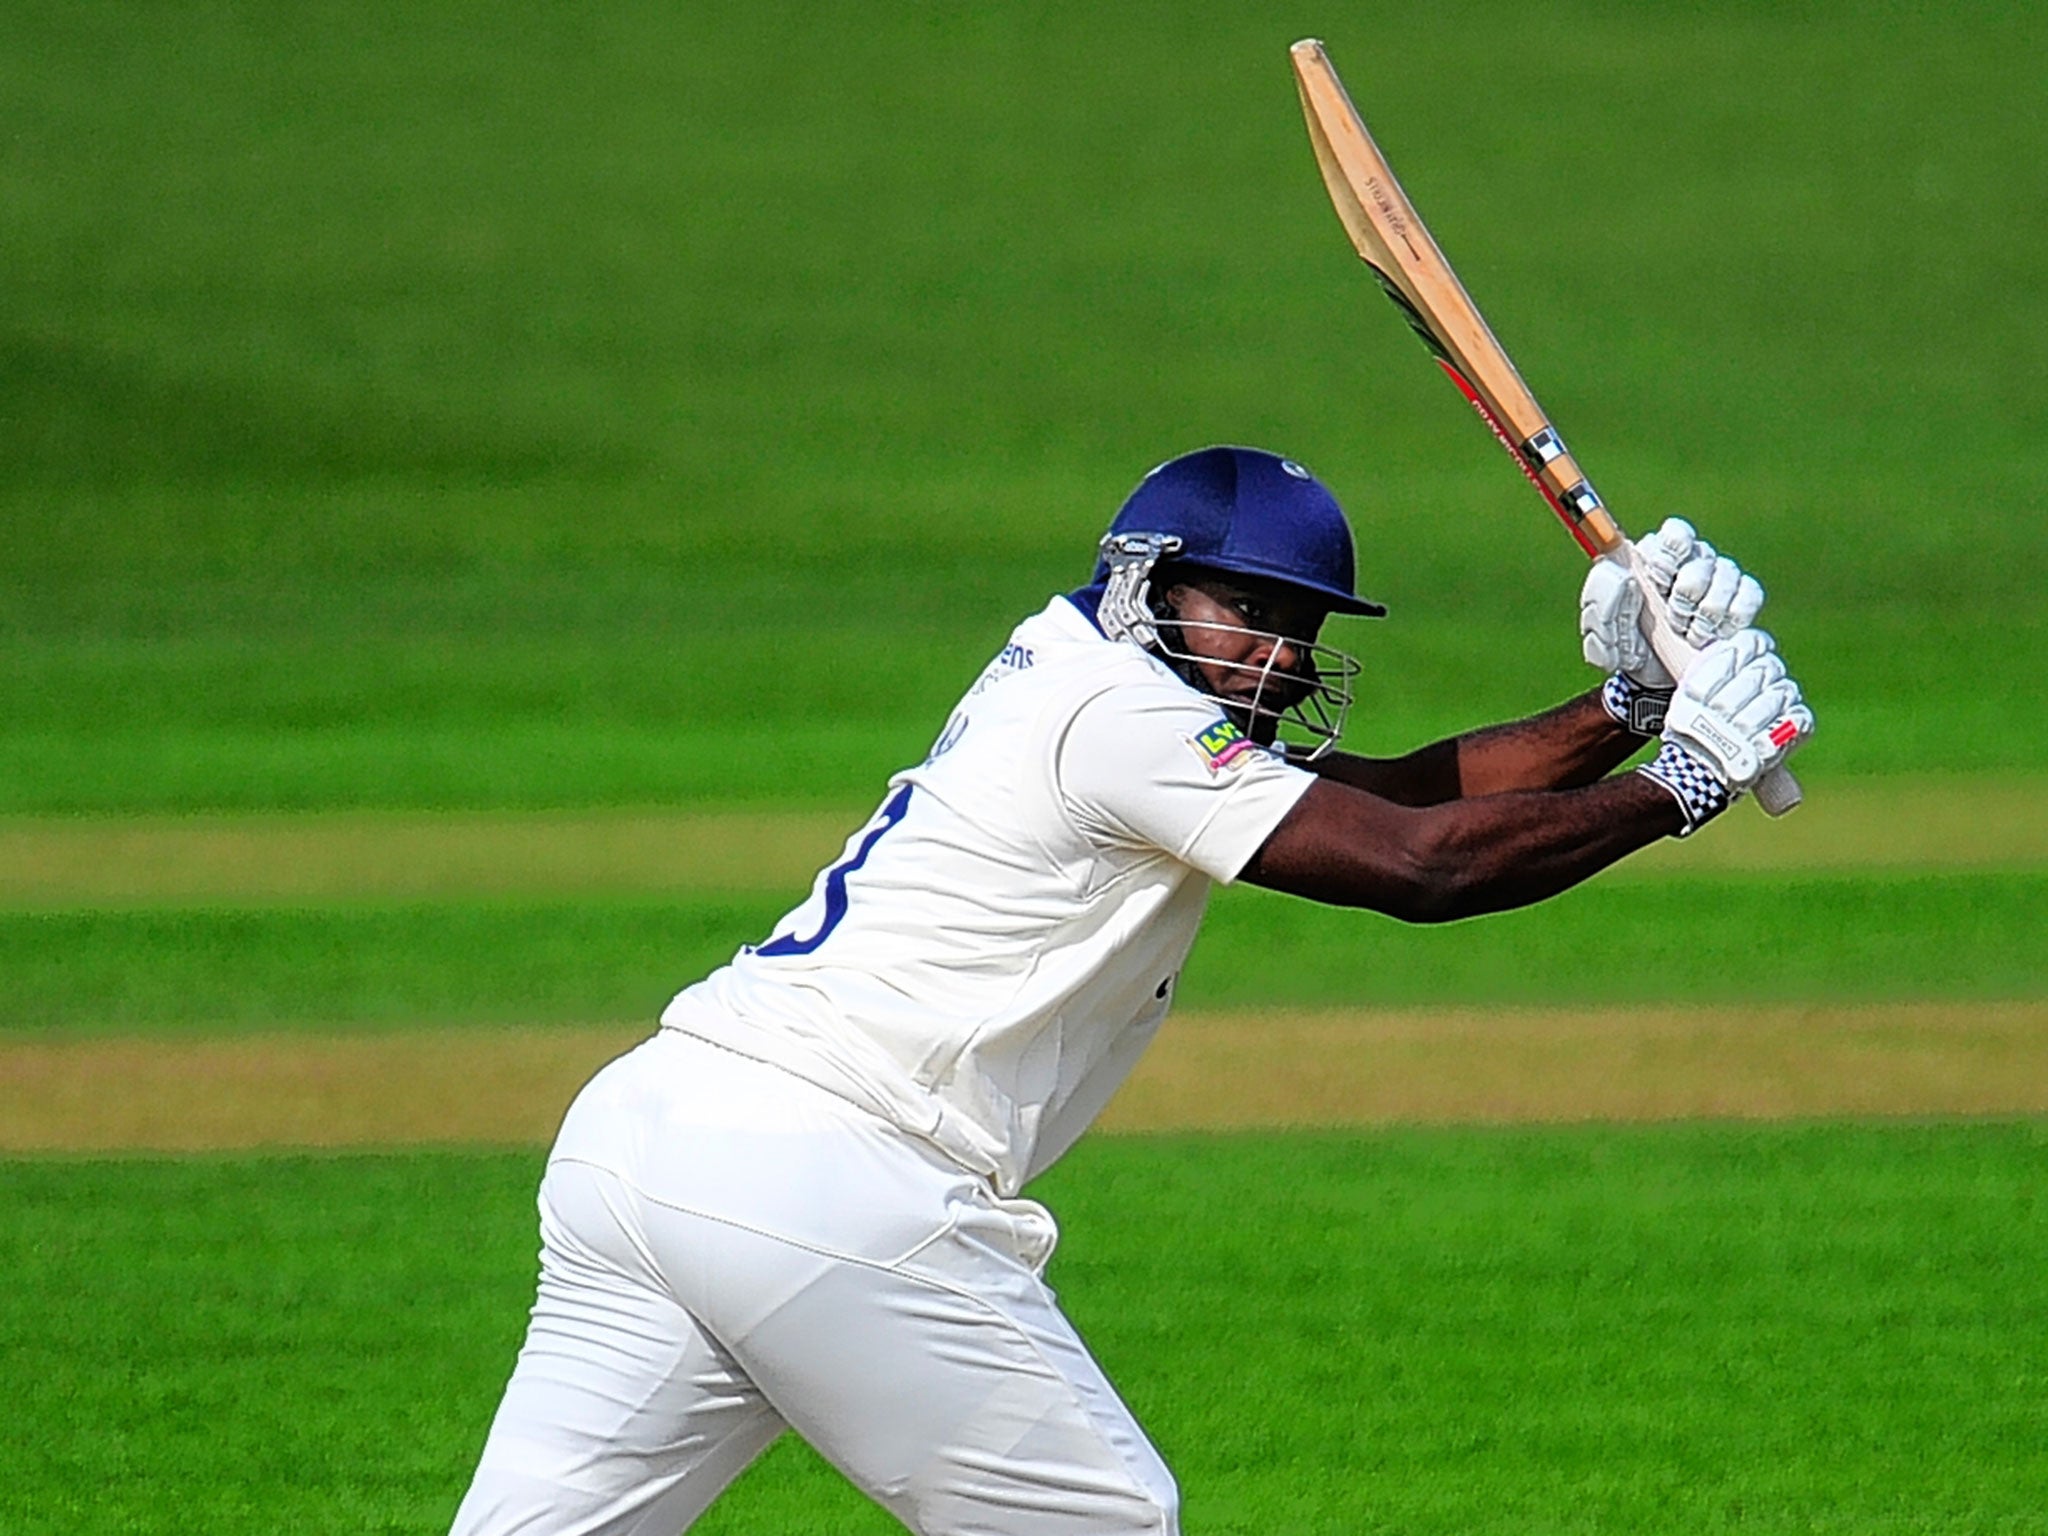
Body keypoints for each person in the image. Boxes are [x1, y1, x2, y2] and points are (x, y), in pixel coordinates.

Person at [448, 445, 1812, 1536]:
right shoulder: (1118, 712)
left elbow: (1389, 798)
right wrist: (1685, 781)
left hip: (652, 1142)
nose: (1278, 656)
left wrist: (1628, 708)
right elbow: (1421, 868)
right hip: (826, 1177)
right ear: (1149, 582)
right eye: (1249, 614)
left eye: (1300, 628)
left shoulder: (1093, 689)